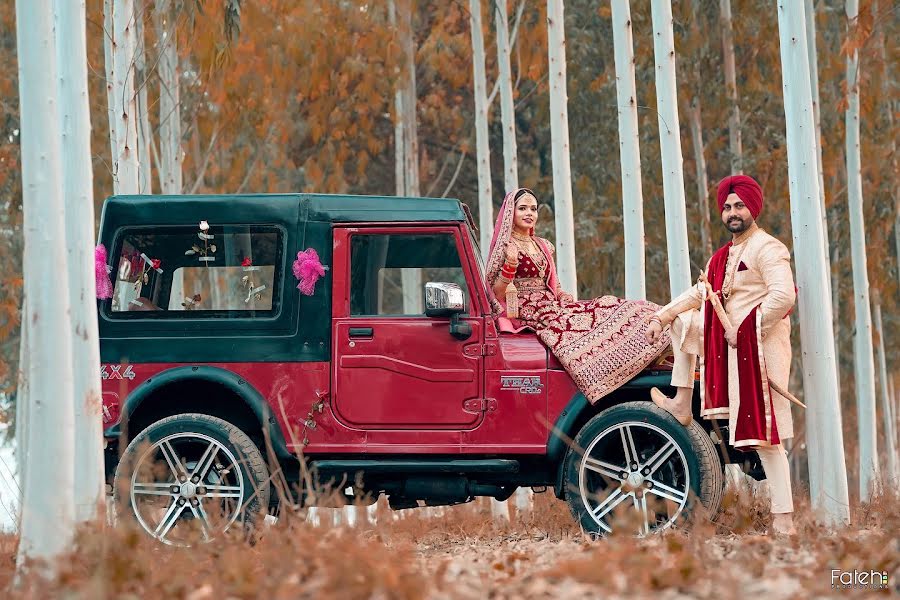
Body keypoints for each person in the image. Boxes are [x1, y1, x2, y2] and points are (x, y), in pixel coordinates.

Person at [645, 174, 797, 535]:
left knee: (766, 436)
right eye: (727, 207)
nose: (732, 212)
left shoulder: (768, 248)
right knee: (684, 322)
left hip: (761, 351)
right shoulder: (723, 256)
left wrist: (746, 328)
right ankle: (682, 401)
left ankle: (784, 520)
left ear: (753, 208)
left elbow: (784, 296)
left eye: (739, 206)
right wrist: (661, 315)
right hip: (729, 349)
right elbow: (702, 292)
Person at [486, 188, 672, 402]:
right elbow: (497, 292)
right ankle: (606, 370)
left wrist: (562, 295)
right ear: (511, 212)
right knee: (572, 331)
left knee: (605, 305)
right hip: (529, 310)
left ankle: (657, 327)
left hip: (552, 304)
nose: (529, 213)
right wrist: (510, 263)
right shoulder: (506, 246)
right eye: (522, 208)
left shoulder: (543, 245)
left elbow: (553, 283)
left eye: (534, 209)